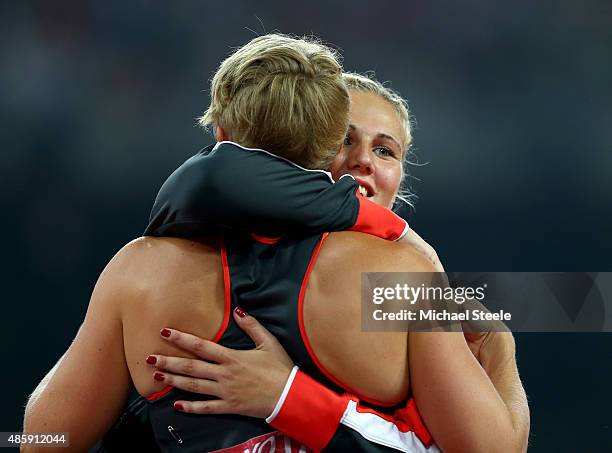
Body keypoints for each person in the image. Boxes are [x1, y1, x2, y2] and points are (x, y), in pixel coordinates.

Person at [22, 34, 529, 453]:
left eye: (384, 149)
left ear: (221, 134)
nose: (363, 163)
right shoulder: (404, 277)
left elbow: (42, 439)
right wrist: (499, 347)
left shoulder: (140, 269)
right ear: (324, 144)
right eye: (349, 141)